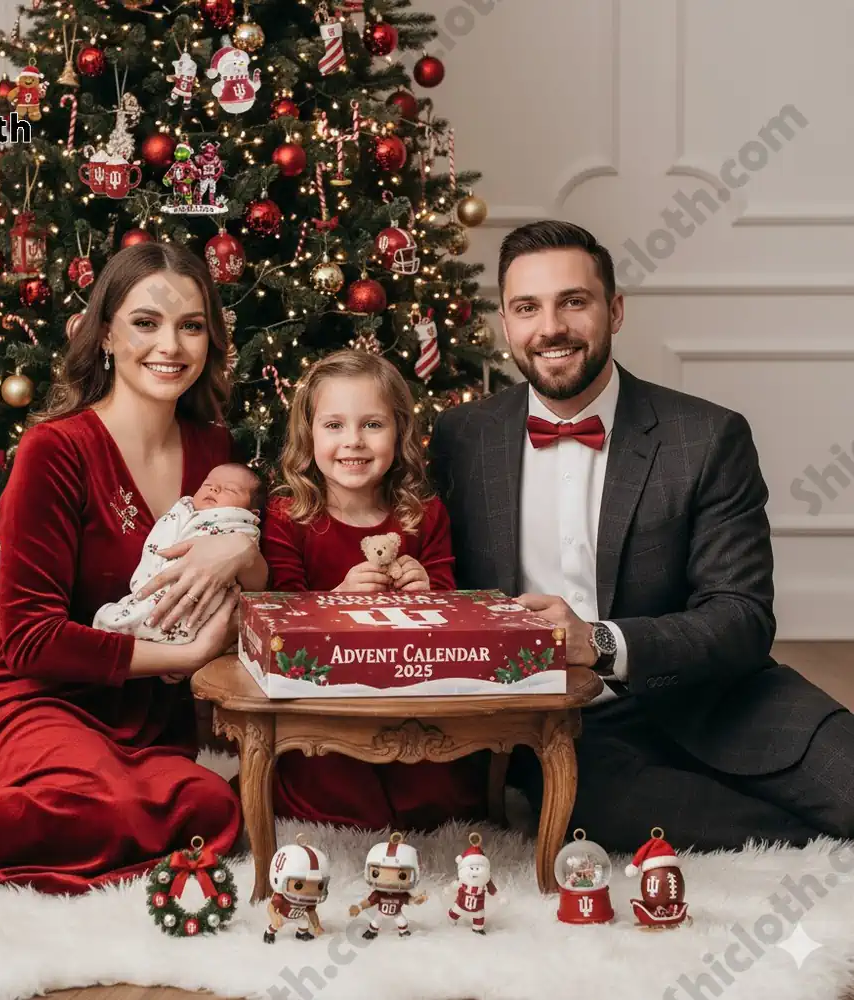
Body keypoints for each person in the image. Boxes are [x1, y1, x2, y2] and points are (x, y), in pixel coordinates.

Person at [0, 242, 267, 894]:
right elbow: (31, 639)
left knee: (210, 807)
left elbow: (259, 587)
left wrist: (244, 552)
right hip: (33, 698)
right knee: (101, 804)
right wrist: (186, 658)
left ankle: (88, 813)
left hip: (146, 723)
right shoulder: (54, 450)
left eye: (191, 325)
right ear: (104, 334)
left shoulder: (214, 450)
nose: (171, 345)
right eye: (146, 322)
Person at [428, 219, 854, 851]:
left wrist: (599, 641)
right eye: (527, 308)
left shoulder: (706, 436)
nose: (551, 328)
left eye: (574, 301)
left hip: (718, 695)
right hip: (567, 729)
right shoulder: (461, 437)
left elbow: (742, 616)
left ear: (615, 310)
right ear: (506, 324)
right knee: (703, 829)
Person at [261, 350, 486, 831]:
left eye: (372, 425)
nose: (353, 441)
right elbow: (278, 616)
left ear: (400, 432)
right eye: (334, 425)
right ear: (309, 434)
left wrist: (426, 591)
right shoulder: (288, 516)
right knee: (341, 800)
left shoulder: (423, 515)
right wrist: (336, 598)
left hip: (408, 700)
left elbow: (452, 609)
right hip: (326, 707)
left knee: (439, 798)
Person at [94, 462, 264, 645]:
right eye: (207, 484)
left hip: (206, 601)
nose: (214, 489)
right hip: (163, 587)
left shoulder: (241, 526)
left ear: (252, 513)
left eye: (230, 489)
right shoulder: (183, 513)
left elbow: (252, 578)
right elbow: (160, 546)